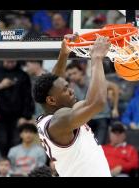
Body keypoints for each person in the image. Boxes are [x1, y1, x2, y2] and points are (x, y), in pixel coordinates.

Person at [33, 34, 112, 177]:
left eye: (68, 86)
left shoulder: (52, 116)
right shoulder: (59, 121)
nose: (71, 90)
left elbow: (55, 82)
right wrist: (96, 58)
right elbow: (97, 102)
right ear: (51, 100)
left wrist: (64, 54)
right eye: (65, 90)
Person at [66, 61, 120, 144]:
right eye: (69, 75)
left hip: (102, 116)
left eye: (74, 73)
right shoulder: (72, 87)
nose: (72, 76)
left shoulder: (93, 81)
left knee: (98, 144)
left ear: (81, 72)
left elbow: (115, 87)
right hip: (87, 119)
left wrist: (115, 108)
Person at [0, 60, 35, 156]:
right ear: (3, 60)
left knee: (16, 142)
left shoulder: (22, 75)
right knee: (1, 141)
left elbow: (27, 97)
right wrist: (0, 86)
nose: (10, 64)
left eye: (12, 62)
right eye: (7, 62)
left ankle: (14, 165)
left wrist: (26, 116)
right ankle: (3, 165)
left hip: (17, 116)